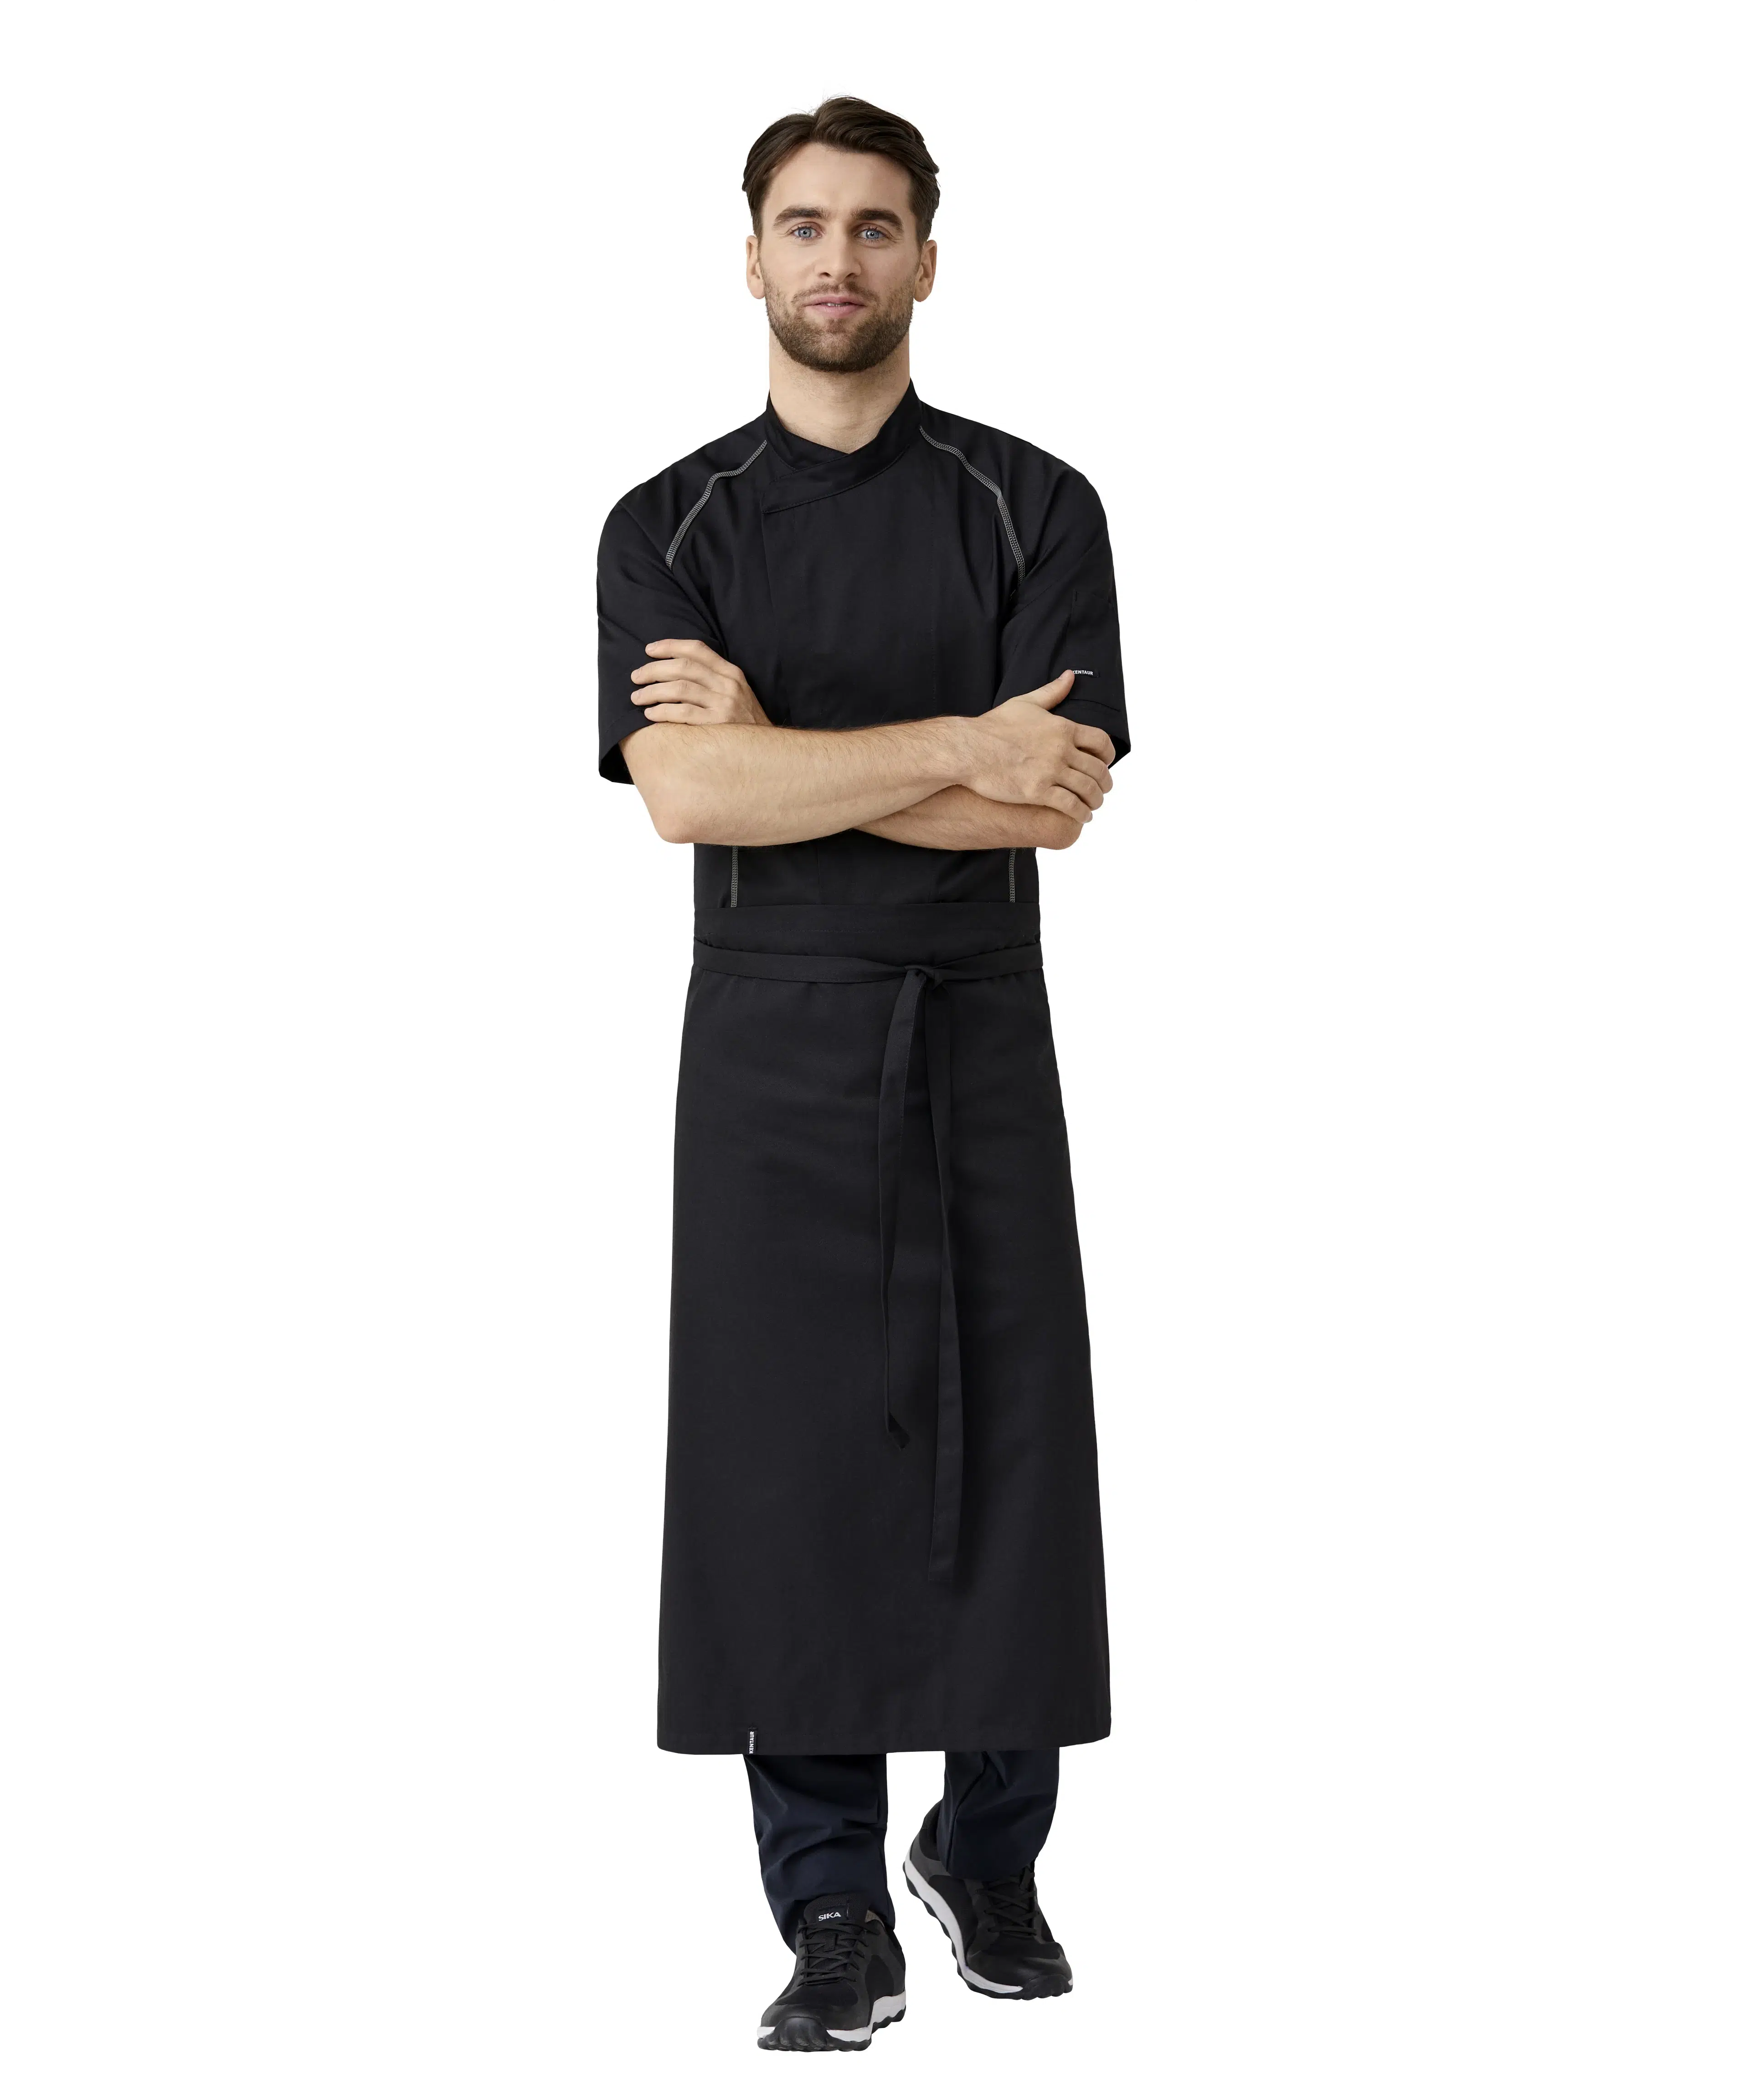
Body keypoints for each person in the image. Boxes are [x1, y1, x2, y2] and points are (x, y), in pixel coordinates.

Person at [595, 96, 1129, 2054]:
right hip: (767, 1046)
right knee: (785, 1470)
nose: (839, 258)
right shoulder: (668, 524)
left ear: (928, 258)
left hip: (977, 1027)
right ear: (749, 255)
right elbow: (686, 796)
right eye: (805, 225)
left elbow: (1052, 806)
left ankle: (987, 1854)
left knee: (1011, 1451)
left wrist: (799, 750)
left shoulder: (1035, 505)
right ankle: (829, 1902)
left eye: (876, 226)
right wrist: (955, 745)